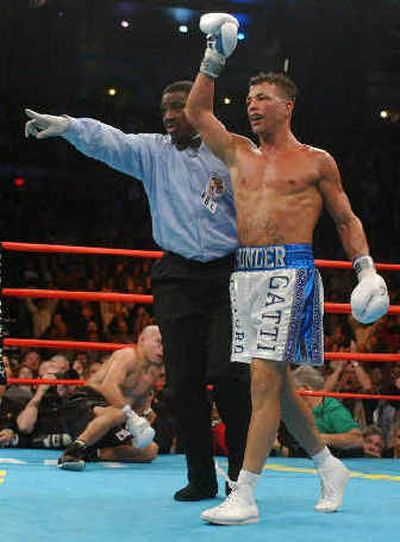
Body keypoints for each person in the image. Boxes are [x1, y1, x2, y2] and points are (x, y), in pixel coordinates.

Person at [185, 12, 389, 524]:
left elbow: (345, 217)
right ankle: (329, 465)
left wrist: (366, 269)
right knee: (277, 386)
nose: (252, 106)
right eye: (249, 99)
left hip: (290, 272)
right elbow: (196, 112)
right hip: (245, 274)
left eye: (263, 99)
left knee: (262, 382)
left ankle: (245, 494)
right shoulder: (238, 154)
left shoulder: (316, 161)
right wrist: (215, 57)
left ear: (287, 106)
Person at [24, 78, 251, 500]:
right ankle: (201, 478)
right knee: (182, 385)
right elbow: (112, 142)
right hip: (178, 276)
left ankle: (240, 478)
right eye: (164, 107)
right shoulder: (153, 152)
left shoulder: (230, 152)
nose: (168, 115)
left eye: (178, 107)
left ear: (202, 108)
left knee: (228, 376)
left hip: (229, 275)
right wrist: (71, 126)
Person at [58, 325, 163, 470]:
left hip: (112, 418)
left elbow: (138, 403)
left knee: (150, 450)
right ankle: (73, 452)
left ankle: (92, 453)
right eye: (158, 342)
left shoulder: (153, 372)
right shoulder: (128, 355)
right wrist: (130, 415)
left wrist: (145, 415)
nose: (162, 348)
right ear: (142, 340)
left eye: (165, 344)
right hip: (82, 405)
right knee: (118, 413)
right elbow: (109, 387)